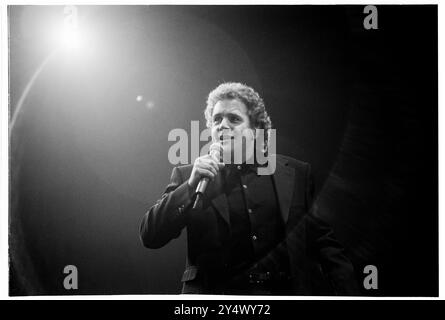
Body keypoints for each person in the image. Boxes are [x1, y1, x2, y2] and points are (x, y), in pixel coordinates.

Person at [140, 82, 359, 295]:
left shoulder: (296, 173)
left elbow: (324, 244)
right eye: (216, 119)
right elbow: (150, 236)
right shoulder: (189, 175)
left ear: (256, 129)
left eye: (233, 119)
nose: (222, 125)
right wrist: (189, 188)